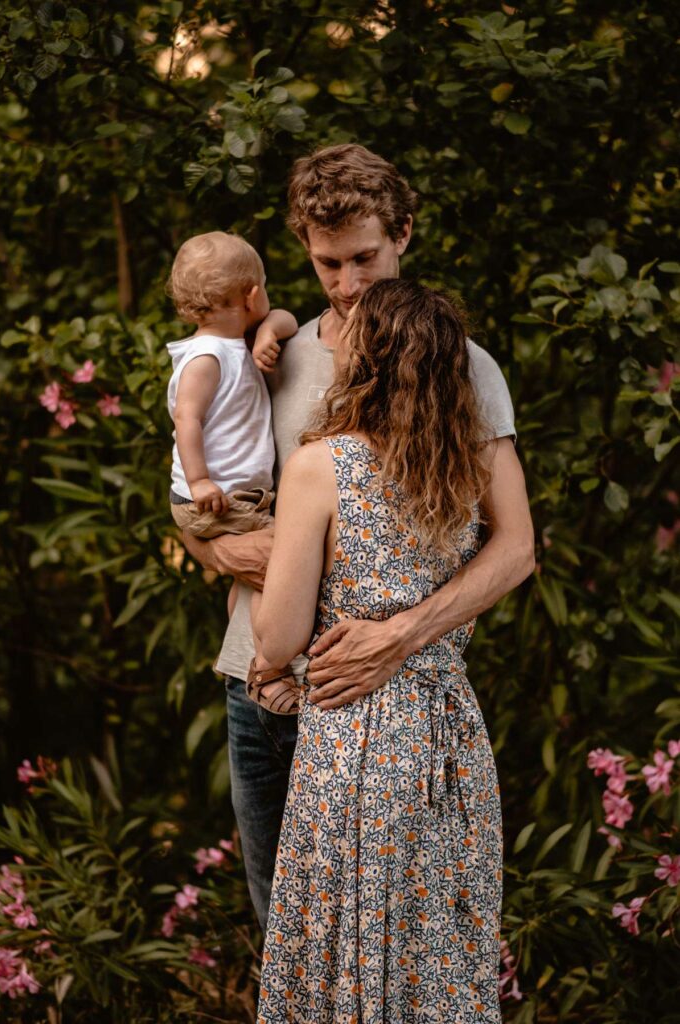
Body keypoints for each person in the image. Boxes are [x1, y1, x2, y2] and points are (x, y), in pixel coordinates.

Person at [182, 144, 535, 934]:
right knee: (286, 945)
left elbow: (513, 547)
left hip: (372, 698)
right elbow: (204, 498)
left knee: (384, 951)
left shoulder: (458, 367)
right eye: (326, 265)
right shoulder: (271, 358)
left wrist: (399, 636)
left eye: (364, 259)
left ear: (404, 232)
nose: (346, 287)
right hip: (255, 680)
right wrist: (212, 549)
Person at [255, 278, 514, 1022]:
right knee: (435, 951)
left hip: (353, 732)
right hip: (449, 730)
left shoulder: (321, 466)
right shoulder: (464, 464)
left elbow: (276, 637)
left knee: (345, 943)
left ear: (366, 360)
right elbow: (512, 549)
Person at [166, 230, 302, 712]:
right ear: (250, 295)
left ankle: (244, 642)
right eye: (264, 286)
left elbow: (287, 319)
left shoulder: (240, 339)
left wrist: (268, 332)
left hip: (238, 497)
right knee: (284, 561)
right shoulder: (206, 359)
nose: (269, 297)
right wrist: (201, 481)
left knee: (253, 578)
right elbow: (187, 419)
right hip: (217, 498)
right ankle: (269, 665)